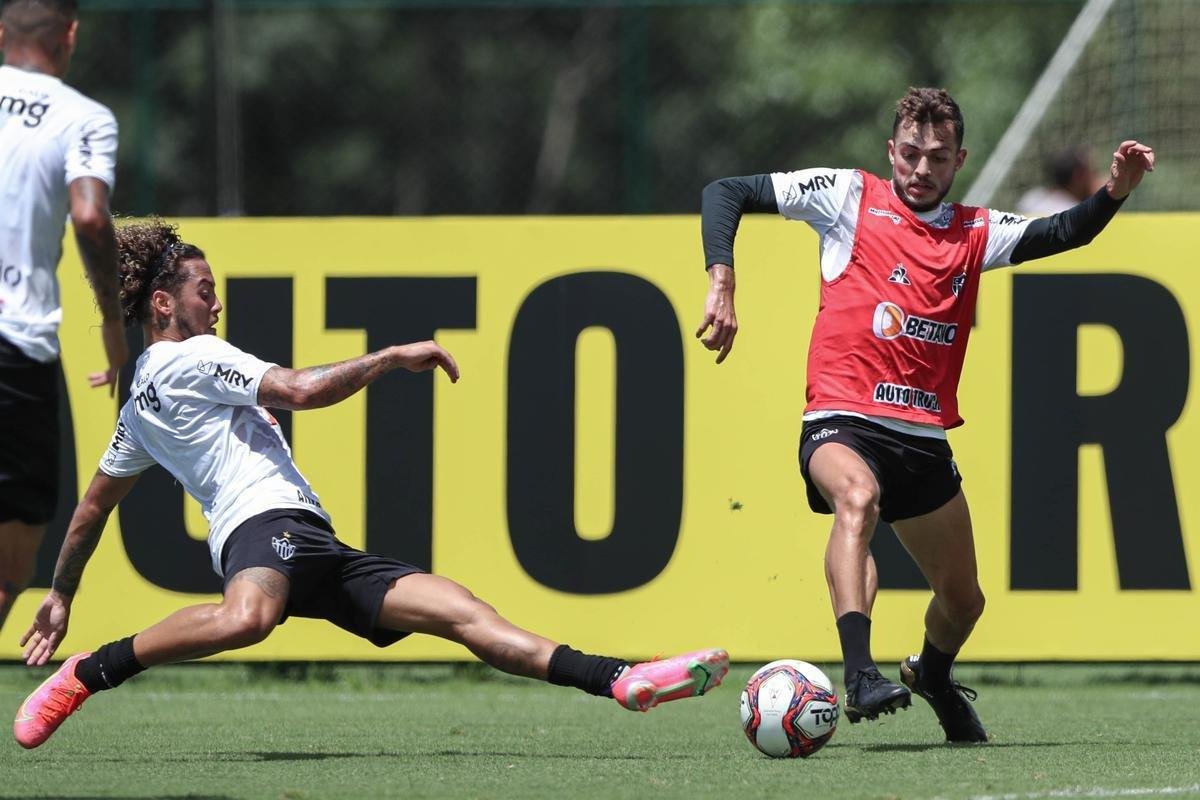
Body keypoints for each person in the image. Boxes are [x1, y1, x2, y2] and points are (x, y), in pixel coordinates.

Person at [13, 219, 728, 750]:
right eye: (206, 292)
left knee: (462, 612)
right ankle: (91, 671)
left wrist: (61, 593)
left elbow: (90, 510)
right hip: (264, 530)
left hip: (310, 543)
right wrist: (390, 355)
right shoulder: (191, 356)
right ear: (163, 307)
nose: (216, 306)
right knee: (247, 619)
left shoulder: (140, 399)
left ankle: (618, 679)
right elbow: (298, 389)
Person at [695, 87, 1153, 743]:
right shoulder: (847, 196)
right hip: (840, 420)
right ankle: (858, 674)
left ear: (958, 160)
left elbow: (1060, 232)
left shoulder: (972, 231)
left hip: (922, 438)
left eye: (937, 157)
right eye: (910, 153)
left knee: (964, 602)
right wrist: (722, 281)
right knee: (857, 497)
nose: (921, 168)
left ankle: (932, 676)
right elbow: (725, 190)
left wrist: (1113, 191)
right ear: (892, 151)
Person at [0, 0, 128, 634]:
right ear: (70, 35)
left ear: (0, 33)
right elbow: (89, 216)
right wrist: (111, 320)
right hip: (13, 346)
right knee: (9, 562)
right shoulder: (82, 117)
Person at [1016, 146, 1104, 215]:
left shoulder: (1031, 199)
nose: (1097, 178)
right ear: (1078, 177)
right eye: (1093, 172)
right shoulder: (1075, 215)